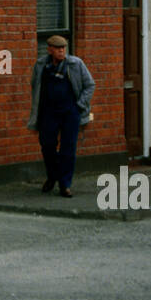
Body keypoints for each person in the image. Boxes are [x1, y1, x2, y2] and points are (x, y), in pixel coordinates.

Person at [26, 35, 95, 197]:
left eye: (63, 48)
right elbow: (34, 84)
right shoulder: (41, 65)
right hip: (48, 112)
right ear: (50, 49)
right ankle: (53, 175)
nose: (61, 51)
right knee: (47, 145)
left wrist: (79, 105)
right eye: (58, 49)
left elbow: (90, 85)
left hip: (70, 112)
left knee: (68, 148)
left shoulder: (75, 64)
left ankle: (65, 184)